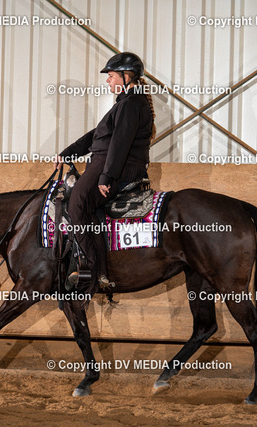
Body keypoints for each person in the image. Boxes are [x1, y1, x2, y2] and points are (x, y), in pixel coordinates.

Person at [55, 52, 156, 291]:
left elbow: (119, 143)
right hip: (106, 162)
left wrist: (107, 176)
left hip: (115, 166)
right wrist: (68, 153)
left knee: (76, 203)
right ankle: (99, 269)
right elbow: (97, 135)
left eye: (111, 76)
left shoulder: (131, 103)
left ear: (126, 76)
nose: (108, 80)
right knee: (86, 206)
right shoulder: (124, 103)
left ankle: (90, 267)